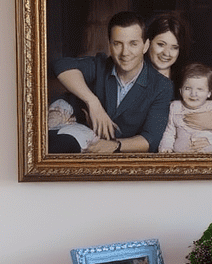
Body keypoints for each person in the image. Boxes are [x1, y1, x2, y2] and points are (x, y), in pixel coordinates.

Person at [49, 10, 172, 155]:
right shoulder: (101, 65)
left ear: (145, 46)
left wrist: (115, 145)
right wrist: (93, 102)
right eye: (118, 44)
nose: (125, 53)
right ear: (109, 45)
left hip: (105, 145)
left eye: (133, 44)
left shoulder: (161, 86)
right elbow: (62, 65)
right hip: (70, 126)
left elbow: (150, 139)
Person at [158, 62, 212, 154]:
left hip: (209, 152)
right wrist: (166, 147)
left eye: (199, 89)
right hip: (183, 154)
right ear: (181, 91)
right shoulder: (176, 107)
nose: (193, 94)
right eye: (188, 88)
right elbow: (169, 133)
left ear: (209, 93)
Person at [144, 12, 186, 86]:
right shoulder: (132, 79)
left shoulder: (186, 83)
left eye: (174, 47)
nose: (166, 53)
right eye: (161, 44)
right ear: (148, 43)